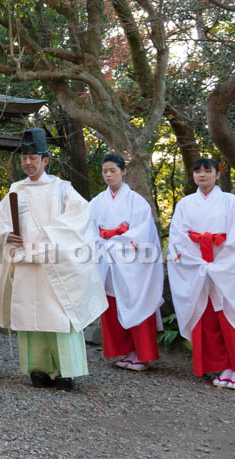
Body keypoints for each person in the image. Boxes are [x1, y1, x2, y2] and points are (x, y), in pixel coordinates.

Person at [0, 128, 107, 391]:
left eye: (33, 157)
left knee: (57, 315)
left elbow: (80, 221)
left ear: (45, 160)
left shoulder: (62, 189)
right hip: (24, 264)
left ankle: (67, 371)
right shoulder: (14, 190)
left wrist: (47, 239)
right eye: (24, 157)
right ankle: (38, 368)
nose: (28, 162)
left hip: (53, 264)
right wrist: (7, 235)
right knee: (29, 315)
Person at [167, 158, 235, 390]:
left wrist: (221, 263)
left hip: (229, 269)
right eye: (198, 171)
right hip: (199, 269)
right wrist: (200, 262)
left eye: (208, 171)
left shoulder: (231, 202)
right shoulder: (185, 204)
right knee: (209, 319)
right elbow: (178, 237)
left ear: (217, 175)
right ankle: (223, 367)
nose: (202, 175)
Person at [89, 153, 164, 371]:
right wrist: (103, 244)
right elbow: (88, 231)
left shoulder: (137, 202)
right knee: (112, 305)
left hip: (132, 265)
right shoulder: (96, 203)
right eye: (105, 171)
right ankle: (126, 351)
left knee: (136, 303)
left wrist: (114, 243)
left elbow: (143, 233)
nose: (108, 175)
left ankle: (141, 354)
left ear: (123, 171)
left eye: (113, 170)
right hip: (107, 261)